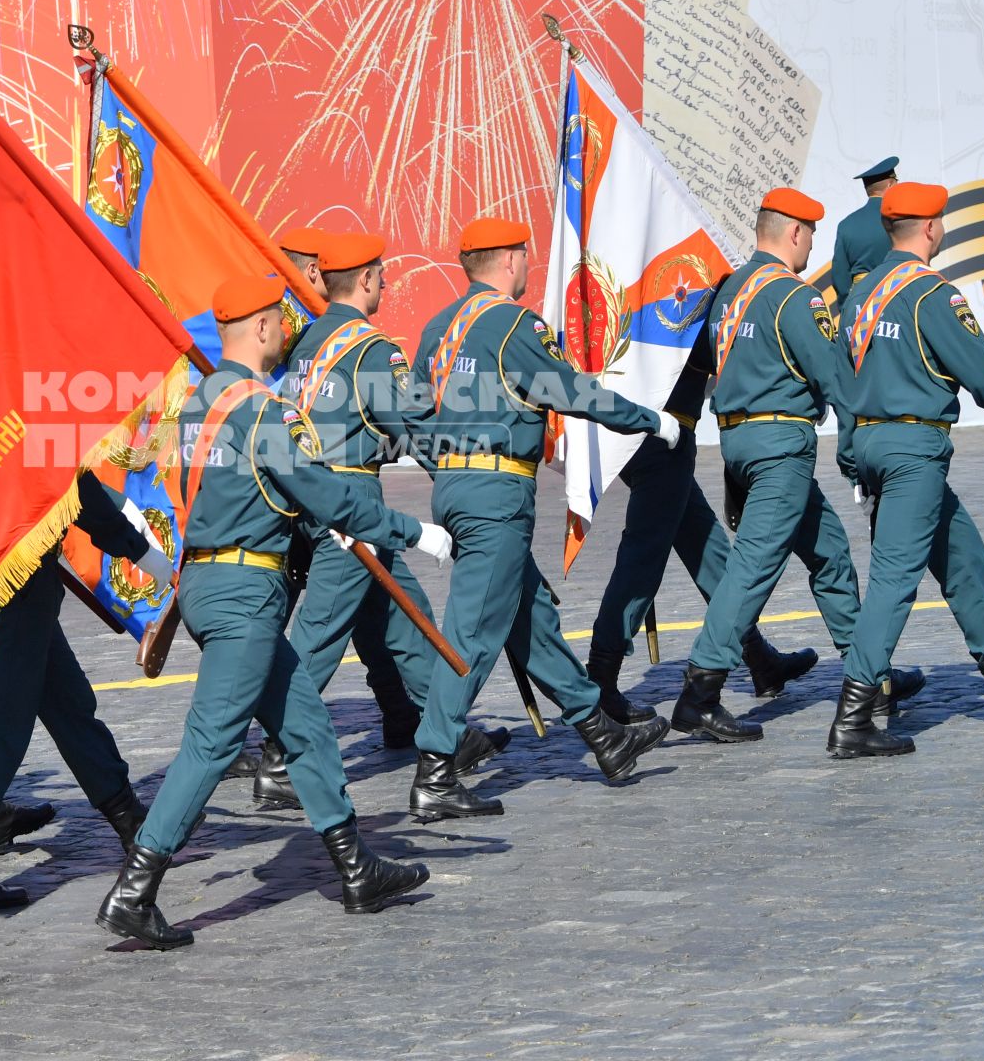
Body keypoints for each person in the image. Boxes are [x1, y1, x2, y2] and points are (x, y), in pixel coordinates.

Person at [95, 275, 447, 950]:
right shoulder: (264, 412)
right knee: (211, 742)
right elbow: (328, 494)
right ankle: (135, 890)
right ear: (260, 328)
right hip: (245, 593)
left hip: (213, 585)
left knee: (308, 729)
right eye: (281, 324)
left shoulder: (199, 404)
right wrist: (413, 532)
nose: (288, 334)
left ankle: (355, 869)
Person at [407, 218, 674, 822]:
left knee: (531, 619)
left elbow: (412, 418)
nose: (529, 266)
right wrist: (649, 420)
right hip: (497, 494)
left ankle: (602, 735)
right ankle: (435, 771)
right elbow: (573, 391)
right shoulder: (512, 326)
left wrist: (450, 474)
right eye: (524, 256)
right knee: (471, 635)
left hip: (457, 487)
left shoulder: (436, 330)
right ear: (507, 261)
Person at [258, 231, 504, 813]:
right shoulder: (371, 349)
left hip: (317, 494)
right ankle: (277, 759)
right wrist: (474, 463)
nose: (386, 284)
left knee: (405, 617)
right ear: (365, 281)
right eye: (382, 276)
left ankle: (438, 728)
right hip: (350, 498)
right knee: (318, 635)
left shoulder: (306, 342)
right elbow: (415, 426)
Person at [831, 182, 984, 757]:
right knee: (894, 580)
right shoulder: (932, 294)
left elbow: (840, 383)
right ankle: (854, 718)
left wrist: (850, 454)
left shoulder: (860, 296)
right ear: (932, 228)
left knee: (964, 560)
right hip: (914, 451)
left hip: (875, 445)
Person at [0, 470, 175, 915]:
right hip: (14, 572)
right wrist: (141, 550)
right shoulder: (17, 409)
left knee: (69, 705)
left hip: (18, 571)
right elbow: (65, 482)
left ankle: (128, 817)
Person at [670, 188, 869, 744]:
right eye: (811, 234)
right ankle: (699, 693)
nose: (812, 244)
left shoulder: (729, 289)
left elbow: (705, 364)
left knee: (828, 551)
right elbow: (836, 379)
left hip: (738, 441)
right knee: (753, 569)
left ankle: (866, 669)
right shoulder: (795, 297)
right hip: (780, 445)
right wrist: (857, 452)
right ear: (796, 233)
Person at [583, 323, 819, 725]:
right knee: (643, 559)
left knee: (705, 544)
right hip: (661, 434)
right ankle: (600, 680)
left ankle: (759, 659)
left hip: (655, 432)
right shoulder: (680, 283)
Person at [829, 156, 899, 303]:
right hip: (894, 299)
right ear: (890, 185)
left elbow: (839, 275)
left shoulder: (846, 224)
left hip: (860, 301)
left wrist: (847, 306)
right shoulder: (899, 220)